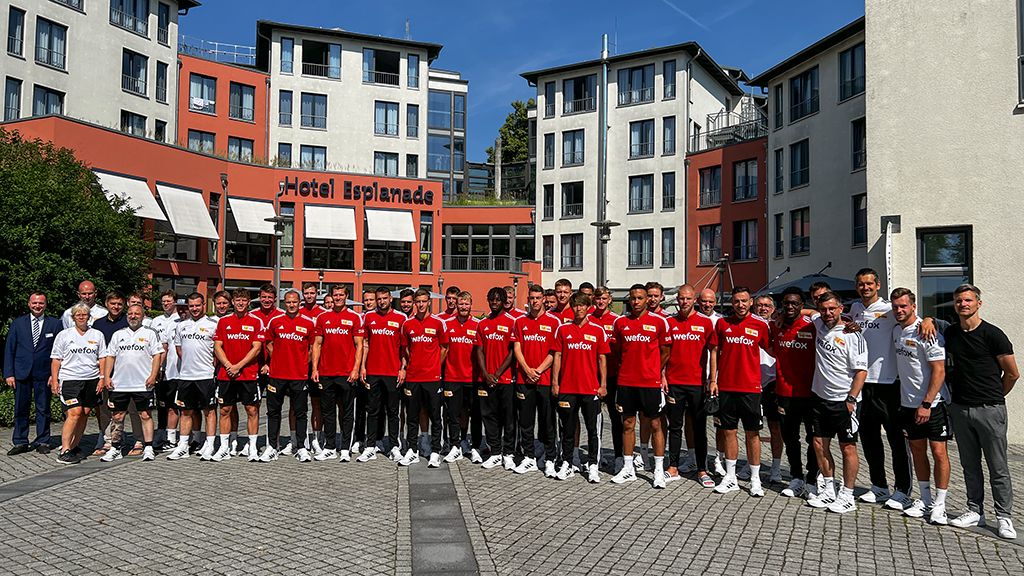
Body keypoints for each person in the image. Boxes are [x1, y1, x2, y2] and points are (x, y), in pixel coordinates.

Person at [943, 284, 1018, 539]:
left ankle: (1004, 516)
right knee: (970, 465)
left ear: (978, 303)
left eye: (967, 300)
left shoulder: (993, 334)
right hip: (961, 409)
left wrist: (996, 396)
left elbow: (1012, 373)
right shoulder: (951, 333)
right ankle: (975, 510)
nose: (962, 304)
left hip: (990, 409)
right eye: (958, 301)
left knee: (998, 466)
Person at [850, 268, 914, 508]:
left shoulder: (889, 308)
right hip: (863, 384)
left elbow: (914, 319)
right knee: (869, 439)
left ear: (878, 285)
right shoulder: (855, 309)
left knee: (897, 440)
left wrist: (929, 321)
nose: (865, 288)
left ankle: (903, 490)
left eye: (869, 284)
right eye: (860, 284)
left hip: (888, 384)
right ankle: (879, 487)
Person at [890, 287, 952, 525]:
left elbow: (939, 370)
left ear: (913, 306)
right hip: (908, 404)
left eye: (904, 306)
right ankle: (924, 499)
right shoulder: (897, 330)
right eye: (896, 307)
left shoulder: (927, 332)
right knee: (917, 451)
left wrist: (926, 403)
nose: (899, 310)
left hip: (932, 404)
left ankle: (940, 504)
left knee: (938, 452)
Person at [806, 291, 868, 514]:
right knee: (819, 444)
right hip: (820, 398)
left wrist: (851, 399)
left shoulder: (853, 335)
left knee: (847, 447)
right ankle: (829, 489)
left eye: (832, 308)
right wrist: (783, 315)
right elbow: (808, 312)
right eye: (824, 309)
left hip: (844, 401)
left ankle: (848, 495)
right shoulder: (818, 323)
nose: (828, 313)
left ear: (841, 309)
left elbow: (862, 371)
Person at [712, 287, 772, 497]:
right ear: (732, 302)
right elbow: (714, 351)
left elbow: (773, 349)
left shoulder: (760, 325)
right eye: (737, 301)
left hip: (751, 388)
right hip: (726, 387)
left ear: (751, 302)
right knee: (729, 432)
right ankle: (731, 477)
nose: (740, 305)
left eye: (744, 301)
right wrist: (713, 379)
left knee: (752, 434)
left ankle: (755, 480)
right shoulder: (722, 323)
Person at [610, 284, 671, 488]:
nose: (636, 302)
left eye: (640, 298)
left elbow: (665, 351)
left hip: (650, 383)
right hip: (626, 382)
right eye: (633, 298)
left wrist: (653, 370)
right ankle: (628, 468)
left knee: (655, 425)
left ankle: (659, 470)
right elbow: (617, 351)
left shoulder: (659, 322)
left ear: (647, 300)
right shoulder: (620, 323)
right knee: (627, 424)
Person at [551, 292, 609, 482]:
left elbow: (602, 359)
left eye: (582, 305)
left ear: (587, 307)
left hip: (590, 389)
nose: (579, 309)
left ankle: (593, 465)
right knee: (567, 430)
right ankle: (568, 462)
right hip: (568, 388)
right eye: (575, 306)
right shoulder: (563, 329)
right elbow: (557, 357)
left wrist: (603, 385)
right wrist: (555, 382)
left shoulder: (597, 330)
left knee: (593, 430)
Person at [664, 284, 718, 487]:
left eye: (688, 299)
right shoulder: (669, 322)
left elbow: (713, 352)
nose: (684, 302)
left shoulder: (705, 323)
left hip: (697, 384)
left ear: (694, 300)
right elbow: (664, 352)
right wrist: (662, 375)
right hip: (674, 383)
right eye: (681, 298)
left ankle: (702, 470)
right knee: (675, 427)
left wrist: (712, 380)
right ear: (676, 300)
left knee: (699, 428)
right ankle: (673, 467)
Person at [772, 287, 820, 499]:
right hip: (784, 392)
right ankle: (796, 477)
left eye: (795, 303)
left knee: (814, 438)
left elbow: (838, 318)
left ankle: (812, 479)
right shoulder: (775, 326)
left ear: (802, 305)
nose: (790, 307)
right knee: (790, 437)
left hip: (811, 393)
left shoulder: (813, 325)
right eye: (786, 303)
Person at [98, 304, 162, 461]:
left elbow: (157, 355)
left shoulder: (150, 333)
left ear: (143, 316)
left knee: (145, 415)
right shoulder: (118, 334)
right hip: (120, 384)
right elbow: (110, 356)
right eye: (131, 314)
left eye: (137, 314)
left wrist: (153, 375)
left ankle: (148, 447)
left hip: (143, 383)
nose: (133, 316)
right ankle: (116, 448)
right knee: (117, 416)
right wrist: (106, 377)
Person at [259, 290, 316, 462]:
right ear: (284, 303)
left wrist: (303, 362)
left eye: (294, 302)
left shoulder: (308, 323)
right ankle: (272, 446)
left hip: (299, 375)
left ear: (299, 303)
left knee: (300, 412)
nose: (291, 305)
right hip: (277, 375)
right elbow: (268, 342)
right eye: (288, 302)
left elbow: (313, 347)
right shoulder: (275, 322)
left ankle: (301, 447)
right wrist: (277, 357)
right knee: (273, 412)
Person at [511, 284, 560, 476]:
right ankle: (529, 457)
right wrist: (527, 369)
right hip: (525, 379)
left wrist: (538, 370)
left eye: (538, 298)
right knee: (526, 422)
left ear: (544, 300)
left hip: (545, 379)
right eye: (532, 298)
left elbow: (555, 352)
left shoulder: (554, 322)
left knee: (548, 422)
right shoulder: (520, 322)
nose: (534, 302)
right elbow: (517, 349)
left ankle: (549, 459)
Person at [312, 284, 364, 462]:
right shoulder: (322, 317)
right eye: (335, 295)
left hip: (347, 373)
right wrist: (315, 368)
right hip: (326, 373)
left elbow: (359, 346)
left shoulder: (355, 318)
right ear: (331, 297)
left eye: (341, 295)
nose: (338, 298)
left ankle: (344, 449)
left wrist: (356, 369)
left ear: (346, 296)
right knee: (328, 412)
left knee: (347, 412)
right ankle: (330, 447)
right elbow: (317, 344)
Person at [4, 292, 61, 455]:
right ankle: (20, 441)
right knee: (21, 408)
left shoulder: (55, 324)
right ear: (29, 304)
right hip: (21, 372)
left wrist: (54, 374)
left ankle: (43, 440)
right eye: (35, 303)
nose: (38, 306)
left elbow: (59, 352)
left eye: (41, 303)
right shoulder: (18, 323)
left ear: (46, 304)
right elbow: (9, 349)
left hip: (44, 374)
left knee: (43, 408)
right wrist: (9, 373)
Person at [212, 288, 265, 462]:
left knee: (251, 410)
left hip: (248, 374)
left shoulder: (256, 321)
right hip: (226, 374)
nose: (240, 303)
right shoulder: (223, 322)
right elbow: (218, 346)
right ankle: (224, 447)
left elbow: (256, 348)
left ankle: (253, 448)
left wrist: (238, 366)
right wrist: (228, 365)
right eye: (237, 300)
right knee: (225, 410)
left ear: (249, 302)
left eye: (244, 300)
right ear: (232, 302)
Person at [166, 293, 220, 461]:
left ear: (204, 304)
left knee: (209, 411)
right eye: (191, 306)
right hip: (186, 376)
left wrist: (210, 365)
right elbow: (179, 349)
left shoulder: (213, 324)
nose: (194, 309)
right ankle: (182, 446)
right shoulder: (181, 326)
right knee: (186, 411)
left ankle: (209, 444)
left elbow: (217, 350)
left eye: (197, 305)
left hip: (206, 375)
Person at [50, 303, 106, 464]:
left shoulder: (97, 335)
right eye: (78, 315)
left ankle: (74, 446)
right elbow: (56, 360)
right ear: (73, 317)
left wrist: (102, 378)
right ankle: (65, 449)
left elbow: (102, 358)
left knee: (85, 413)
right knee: (74, 413)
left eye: (85, 314)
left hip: (91, 379)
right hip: (70, 380)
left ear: (89, 317)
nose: (82, 317)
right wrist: (55, 380)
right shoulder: (64, 335)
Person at [398, 289, 448, 467]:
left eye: (423, 301)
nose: (420, 305)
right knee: (412, 416)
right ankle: (412, 450)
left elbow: (444, 348)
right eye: (417, 301)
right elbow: (406, 349)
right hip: (413, 377)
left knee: (435, 416)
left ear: (429, 302)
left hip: (432, 377)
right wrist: (411, 364)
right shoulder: (407, 324)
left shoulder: (438, 323)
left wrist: (434, 364)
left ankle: (435, 451)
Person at [357, 287, 407, 462]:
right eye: (378, 299)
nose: (381, 301)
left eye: (384, 298)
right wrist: (363, 367)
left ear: (390, 299)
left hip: (393, 372)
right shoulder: (368, 317)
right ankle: (370, 446)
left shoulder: (401, 318)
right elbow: (365, 344)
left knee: (393, 411)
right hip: (373, 372)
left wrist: (403, 368)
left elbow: (404, 348)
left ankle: (394, 446)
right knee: (372, 410)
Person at [475, 287, 518, 470]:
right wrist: (485, 374)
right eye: (491, 300)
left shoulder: (512, 322)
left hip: (505, 379)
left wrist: (498, 373)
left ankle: (508, 453)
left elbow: (512, 352)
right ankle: (495, 452)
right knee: (489, 417)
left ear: (503, 301)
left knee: (508, 418)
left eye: (497, 300)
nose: (494, 303)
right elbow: (479, 350)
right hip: (485, 379)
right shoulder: (482, 324)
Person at [441, 291, 480, 463]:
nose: (463, 307)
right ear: (456, 305)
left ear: (471, 305)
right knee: (452, 413)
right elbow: (443, 349)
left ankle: (470, 443)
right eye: (461, 304)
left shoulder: (478, 325)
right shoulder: (447, 324)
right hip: (452, 376)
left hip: (472, 378)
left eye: (466, 304)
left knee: (472, 413)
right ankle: (454, 445)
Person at [589, 286, 622, 471]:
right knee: (595, 420)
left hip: (613, 376)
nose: (600, 301)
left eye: (604, 298)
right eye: (598, 298)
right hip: (593, 377)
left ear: (610, 299)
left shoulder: (617, 321)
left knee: (616, 419)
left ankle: (619, 457)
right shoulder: (589, 319)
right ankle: (597, 456)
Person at [753, 295, 784, 485]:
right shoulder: (750, 323)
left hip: (772, 382)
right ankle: (752, 463)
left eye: (767, 306)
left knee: (775, 428)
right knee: (751, 428)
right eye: (759, 305)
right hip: (751, 381)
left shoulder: (777, 325)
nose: (763, 308)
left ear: (773, 308)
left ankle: (775, 467)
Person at [299, 282, 328, 456]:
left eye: (312, 293)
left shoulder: (323, 314)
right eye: (306, 293)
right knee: (298, 406)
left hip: (317, 366)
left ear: (316, 294)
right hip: (299, 367)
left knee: (318, 404)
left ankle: (317, 438)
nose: (309, 295)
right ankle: (297, 440)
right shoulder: (298, 312)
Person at [151, 291, 181, 451]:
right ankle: (161, 434)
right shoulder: (155, 321)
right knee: (161, 404)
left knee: (172, 405)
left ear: (175, 302)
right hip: (159, 371)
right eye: (163, 301)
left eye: (169, 301)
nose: (166, 304)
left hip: (176, 370)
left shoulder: (181, 320)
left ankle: (171, 437)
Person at [352, 288, 377, 453]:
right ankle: (359, 438)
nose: (368, 302)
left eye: (371, 300)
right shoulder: (360, 318)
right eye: (365, 300)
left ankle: (377, 439)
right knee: (360, 407)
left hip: (376, 369)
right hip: (361, 368)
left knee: (376, 408)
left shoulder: (377, 317)